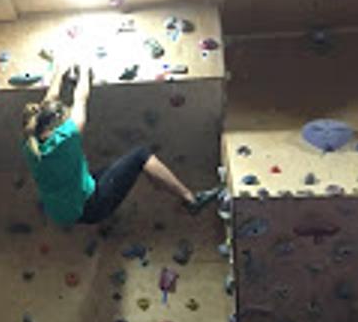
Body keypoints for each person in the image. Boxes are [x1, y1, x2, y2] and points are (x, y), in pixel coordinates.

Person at [21, 61, 219, 226]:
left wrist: (60, 71)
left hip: (64, 208)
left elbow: (48, 103)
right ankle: (190, 199)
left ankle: (157, 180)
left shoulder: (31, 145)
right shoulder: (68, 138)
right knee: (141, 155)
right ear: (56, 127)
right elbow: (80, 99)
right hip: (91, 207)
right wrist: (84, 68)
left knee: (117, 168)